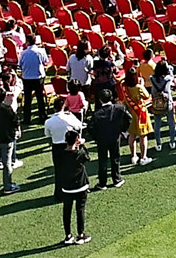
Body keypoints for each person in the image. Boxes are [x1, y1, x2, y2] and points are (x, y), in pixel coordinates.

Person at [52, 116, 91, 245]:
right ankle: (80, 235)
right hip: (80, 185)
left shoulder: (61, 154)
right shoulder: (79, 153)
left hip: (67, 187)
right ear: (76, 140)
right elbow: (87, 157)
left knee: (66, 211)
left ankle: (68, 235)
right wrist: (83, 145)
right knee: (80, 210)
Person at [86, 87, 129, 190]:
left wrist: (96, 137)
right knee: (115, 158)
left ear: (100, 100)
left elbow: (90, 127)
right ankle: (116, 179)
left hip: (102, 139)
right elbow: (129, 119)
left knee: (102, 160)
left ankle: (102, 183)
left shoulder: (97, 114)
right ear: (112, 98)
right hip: (115, 137)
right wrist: (122, 130)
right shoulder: (120, 108)